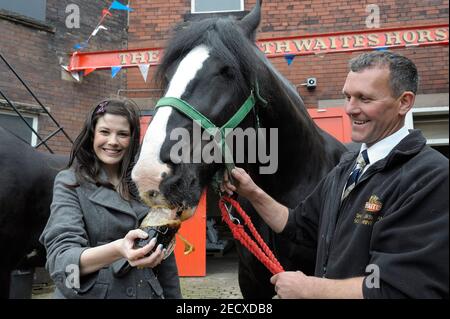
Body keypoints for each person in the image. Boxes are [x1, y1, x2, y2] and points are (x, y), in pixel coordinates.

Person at [223, 51, 449, 299]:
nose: (350, 109)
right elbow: (297, 225)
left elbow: (398, 288)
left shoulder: (431, 178)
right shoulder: (348, 167)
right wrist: (252, 192)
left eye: (365, 98)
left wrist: (309, 289)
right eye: (348, 97)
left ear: (404, 102)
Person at [40, 97, 182, 299]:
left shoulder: (146, 185)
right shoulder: (69, 182)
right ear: (92, 135)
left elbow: (166, 264)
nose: (113, 141)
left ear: (132, 139)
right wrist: (119, 249)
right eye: (105, 132)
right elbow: (61, 260)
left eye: (122, 134)